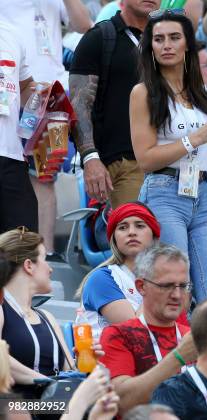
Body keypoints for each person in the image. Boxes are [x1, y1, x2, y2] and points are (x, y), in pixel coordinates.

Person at [130, 8, 207, 303]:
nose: (166, 45)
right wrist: (196, 138)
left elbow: (206, 148)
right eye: (159, 39)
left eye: (175, 37)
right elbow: (146, 160)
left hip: (205, 192)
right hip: (164, 193)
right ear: (150, 46)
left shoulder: (202, 93)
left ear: (188, 44)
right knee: (176, 292)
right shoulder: (143, 92)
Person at [0, 0, 91, 258]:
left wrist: (49, 102)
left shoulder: (15, 30)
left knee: (43, 176)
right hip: (11, 102)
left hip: (38, 110)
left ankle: (44, 256)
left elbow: (83, 24)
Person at [70, 0, 161, 208]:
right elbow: (79, 106)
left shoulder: (169, 39)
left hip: (170, 160)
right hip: (123, 163)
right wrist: (90, 158)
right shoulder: (98, 38)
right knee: (141, 237)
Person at [99, 244, 197, 414]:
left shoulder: (194, 338)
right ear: (141, 286)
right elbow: (122, 403)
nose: (177, 295)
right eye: (166, 286)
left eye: (183, 286)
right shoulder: (119, 335)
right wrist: (179, 357)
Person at [0, 229, 80, 398]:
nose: (50, 269)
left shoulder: (47, 317)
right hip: (13, 406)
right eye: (45, 259)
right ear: (29, 265)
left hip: (52, 406)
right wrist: (47, 383)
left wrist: (88, 362)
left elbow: (69, 372)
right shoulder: (2, 308)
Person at [76, 202, 161, 337]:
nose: (132, 232)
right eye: (123, 227)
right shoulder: (102, 279)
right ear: (114, 239)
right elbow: (136, 333)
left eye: (140, 226)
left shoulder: (164, 279)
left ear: (154, 235)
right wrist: (158, 285)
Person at [0, 22, 41, 233]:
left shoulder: (11, 33)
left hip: (12, 158)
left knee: (24, 245)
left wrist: (44, 94)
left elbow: (24, 86)